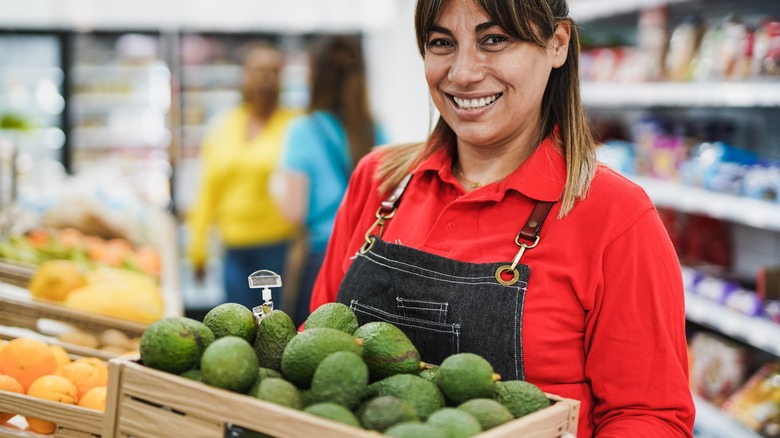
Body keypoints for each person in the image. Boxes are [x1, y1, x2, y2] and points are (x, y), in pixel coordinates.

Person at [309, 0, 695, 436]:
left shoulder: (615, 216)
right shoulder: (380, 181)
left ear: (558, 44)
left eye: (494, 40)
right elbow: (319, 342)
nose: (462, 72)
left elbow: (650, 417)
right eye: (441, 43)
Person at [272, 35, 387, 326]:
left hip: (322, 261)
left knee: (313, 351)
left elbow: (293, 212)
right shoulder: (375, 130)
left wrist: (274, 186)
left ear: (315, 75)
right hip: (371, 262)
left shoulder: (303, 130)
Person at [186, 41, 300, 311]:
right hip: (233, 248)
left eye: (273, 71)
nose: (265, 79)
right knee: (238, 324)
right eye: (258, 71)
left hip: (278, 247)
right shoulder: (225, 125)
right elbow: (208, 191)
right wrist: (197, 248)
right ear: (244, 76)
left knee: (274, 328)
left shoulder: (295, 126)